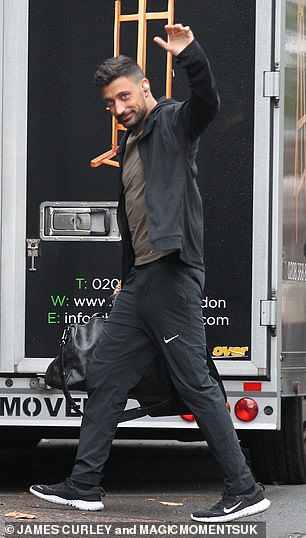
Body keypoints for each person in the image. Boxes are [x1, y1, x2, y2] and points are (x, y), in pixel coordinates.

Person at [30, 24, 271, 522]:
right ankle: (84, 484)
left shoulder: (171, 123)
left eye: (123, 96)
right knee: (106, 376)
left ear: (143, 87)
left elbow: (206, 103)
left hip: (171, 277)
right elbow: (136, 219)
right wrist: (127, 276)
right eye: (109, 104)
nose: (118, 109)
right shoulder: (134, 142)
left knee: (196, 383)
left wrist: (191, 57)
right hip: (140, 282)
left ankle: (244, 489)